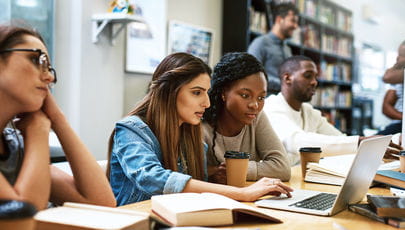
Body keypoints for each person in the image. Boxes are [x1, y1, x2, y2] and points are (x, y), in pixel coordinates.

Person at [107, 52, 293, 206]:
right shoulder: (131, 129)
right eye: (197, 92)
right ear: (168, 92)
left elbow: (196, 190)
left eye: (206, 92)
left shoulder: (190, 133)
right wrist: (242, 193)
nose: (207, 102)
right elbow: (153, 179)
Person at [0, 24, 116, 210]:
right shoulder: (32, 135)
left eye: (48, 67)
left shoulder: (15, 147)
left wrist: (57, 118)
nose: (48, 78)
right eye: (35, 59)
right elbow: (21, 220)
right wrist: (38, 131)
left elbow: (101, 202)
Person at [264, 55, 401, 165]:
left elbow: (339, 140)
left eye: (315, 77)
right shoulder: (271, 107)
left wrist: (396, 140)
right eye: (307, 75)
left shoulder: (309, 111)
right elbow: (297, 141)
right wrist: (362, 142)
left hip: (298, 178)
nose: (314, 82)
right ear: (288, 78)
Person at [202, 52, 291, 185]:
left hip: (246, 196)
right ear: (223, 92)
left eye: (261, 97)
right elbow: (188, 173)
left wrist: (238, 169)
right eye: (245, 95)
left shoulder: (256, 117)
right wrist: (210, 173)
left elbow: (282, 168)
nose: (254, 105)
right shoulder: (200, 123)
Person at [247, 2, 299, 95]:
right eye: (292, 21)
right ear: (279, 19)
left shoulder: (288, 49)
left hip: (286, 101)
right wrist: (284, 84)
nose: (295, 26)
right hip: (267, 102)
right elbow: (251, 75)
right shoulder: (260, 43)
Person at [378, 38, 405, 134]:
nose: (398, 58)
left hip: (402, 125)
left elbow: (387, 77)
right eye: (398, 54)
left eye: (402, 55)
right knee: (370, 142)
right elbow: (386, 107)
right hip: (401, 124)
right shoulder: (400, 74)